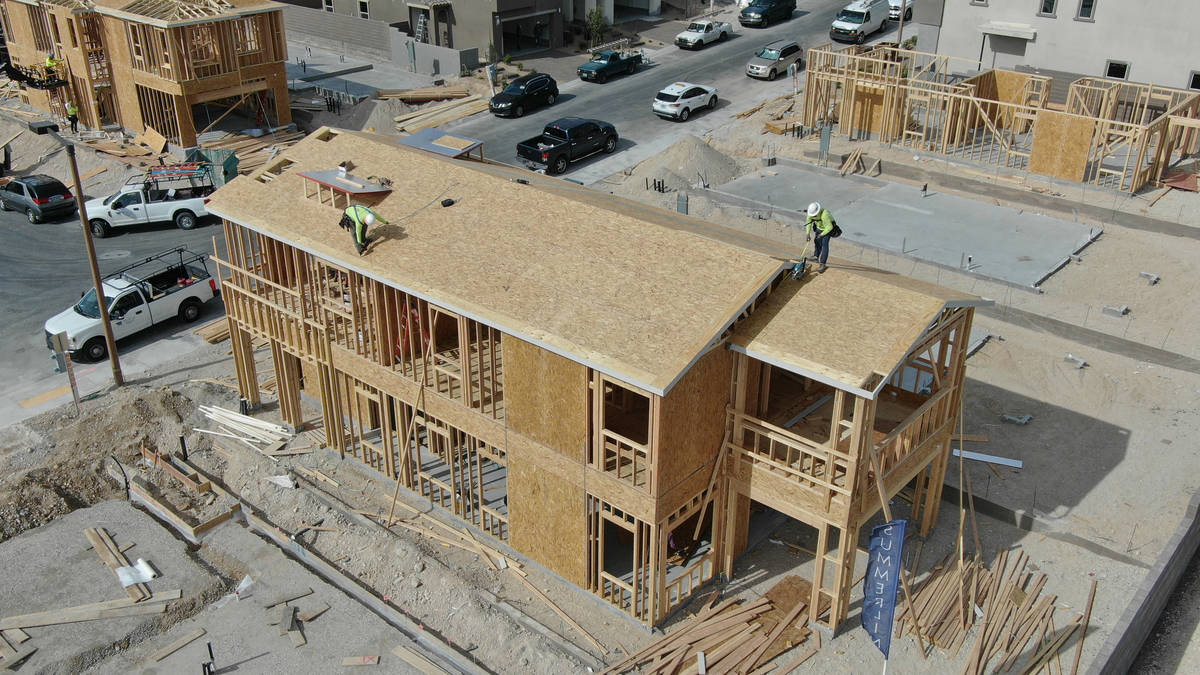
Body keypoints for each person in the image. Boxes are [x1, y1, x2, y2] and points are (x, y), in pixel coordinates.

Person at [805, 202, 836, 273]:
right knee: (817, 242)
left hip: (827, 230)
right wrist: (808, 233)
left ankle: (823, 264)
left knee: (824, 245)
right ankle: (816, 257)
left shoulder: (825, 215)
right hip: (819, 228)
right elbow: (808, 223)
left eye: (815, 215)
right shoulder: (810, 214)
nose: (813, 216)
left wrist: (822, 235)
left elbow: (829, 227)